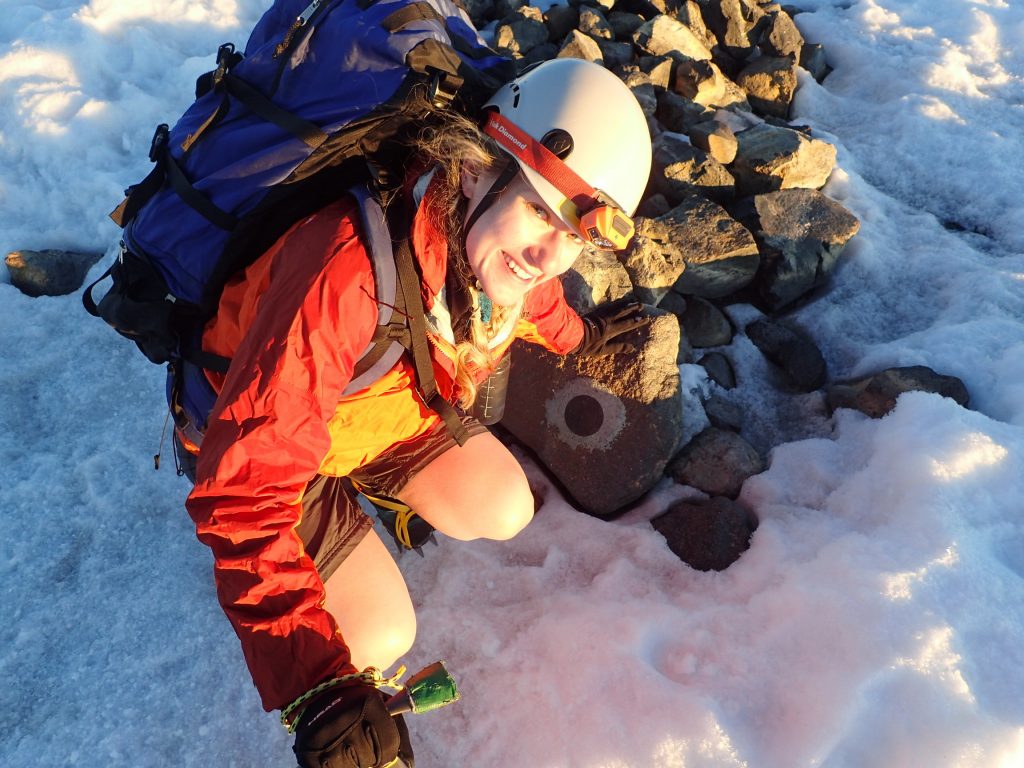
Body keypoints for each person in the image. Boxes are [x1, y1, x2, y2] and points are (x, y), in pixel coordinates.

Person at [176, 57, 652, 768]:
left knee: (502, 505)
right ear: (474, 167)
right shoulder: (342, 271)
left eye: (577, 236)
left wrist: (582, 339)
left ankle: (372, 492)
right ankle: (336, 530)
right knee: (378, 635)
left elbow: (531, 295)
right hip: (260, 441)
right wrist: (320, 684)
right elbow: (243, 496)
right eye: (539, 211)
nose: (550, 253)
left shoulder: (487, 244)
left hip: (372, 413)